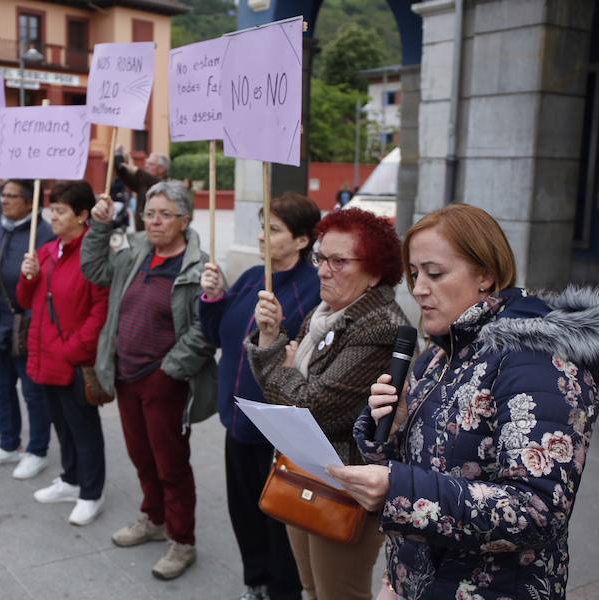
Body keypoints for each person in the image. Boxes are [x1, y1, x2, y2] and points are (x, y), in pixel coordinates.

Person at [332, 204, 599, 600]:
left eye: (434, 273)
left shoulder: (537, 359)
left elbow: (537, 508)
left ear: (485, 274)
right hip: (415, 581)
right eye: (415, 274)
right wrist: (393, 429)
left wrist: (397, 488)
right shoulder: (438, 355)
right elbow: (425, 469)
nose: (418, 288)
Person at [247, 207, 409, 600]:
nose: (322, 270)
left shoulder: (381, 326)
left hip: (345, 486)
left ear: (374, 272)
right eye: (321, 257)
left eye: (339, 261)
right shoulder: (326, 314)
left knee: (339, 593)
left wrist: (282, 365)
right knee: (310, 587)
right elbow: (299, 394)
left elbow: (312, 405)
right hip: (304, 468)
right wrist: (272, 343)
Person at [81, 180, 217, 581]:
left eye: (164, 215)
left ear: (185, 220)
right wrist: (99, 227)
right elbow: (95, 269)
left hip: (164, 381)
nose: (154, 222)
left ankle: (182, 540)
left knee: (171, 463)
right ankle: (153, 518)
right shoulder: (138, 251)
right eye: (150, 214)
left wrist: (171, 369)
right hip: (125, 374)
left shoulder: (200, 267)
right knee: (141, 455)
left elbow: (204, 330)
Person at [199, 193, 322, 600]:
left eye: (273, 229)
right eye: (262, 227)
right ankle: (256, 581)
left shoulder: (312, 294)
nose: (262, 236)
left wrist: (277, 332)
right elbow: (218, 334)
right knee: (244, 513)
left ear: (302, 240)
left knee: (278, 518)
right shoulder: (254, 276)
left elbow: (304, 363)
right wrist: (213, 299)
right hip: (236, 419)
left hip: (276, 429)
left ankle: (284, 591)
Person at [18, 180, 109, 526]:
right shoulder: (44, 250)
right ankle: (70, 479)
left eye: (60, 211)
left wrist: (73, 350)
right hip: (44, 357)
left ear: (83, 215)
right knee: (62, 425)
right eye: (51, 210)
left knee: (84, 428)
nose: (52, 217)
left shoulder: (93, 254)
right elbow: (24, 302)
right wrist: (28, 277)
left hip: (72, 360)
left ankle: (91, 491)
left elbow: (100, 310)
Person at [0, 179, 55, 477]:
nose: (4, 200)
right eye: (2, 195)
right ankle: (8, 444)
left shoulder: (42, 234)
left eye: (12, 196)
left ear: (30, 202)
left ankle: (37, 450)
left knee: (33, 393)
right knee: (0, 387)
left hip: (24, 326)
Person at [116, 149, 170, 230]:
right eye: (146, 163)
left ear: (161, 169)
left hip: (157, 232)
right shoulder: (144, 182)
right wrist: (118, 158)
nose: (146, 166)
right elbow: (126, 177)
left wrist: (133, 168)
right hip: (140, 231)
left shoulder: (165, 185)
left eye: (150, 164)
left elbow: (149, 179)